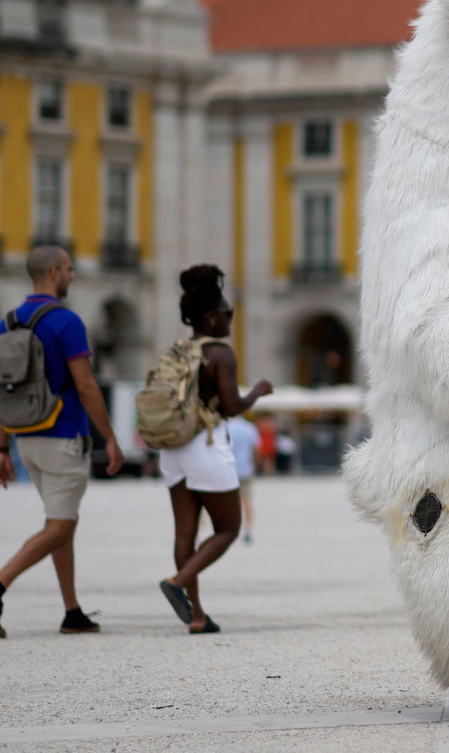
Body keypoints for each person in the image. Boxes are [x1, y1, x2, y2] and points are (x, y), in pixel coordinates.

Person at [0, 245, 124, 638]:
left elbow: (4, 389)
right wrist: (110, 437)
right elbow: (87, 386)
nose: (73, 276)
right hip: (62, 436)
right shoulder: (66, 322)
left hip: (25, 439)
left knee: (62, 522)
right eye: (70, 270)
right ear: (54, 273)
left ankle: (71, 611)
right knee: (59, 526)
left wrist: (3, 448)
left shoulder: (7, 323)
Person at [157, 265, 272, 634]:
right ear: (210, 316)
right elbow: (232, 407)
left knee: (184, 533)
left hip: (172, 448)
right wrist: (257, 391)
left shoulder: (179, 350)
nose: (230, 320)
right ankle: (177, 582)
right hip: (204, 445)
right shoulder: (220, 353)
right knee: (228, 527)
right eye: (227, 314)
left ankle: (196, 616)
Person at [227, 413, 260, 543]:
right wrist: (256, 464)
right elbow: (256, 448)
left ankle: (227, 530)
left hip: (228, 469)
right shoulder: (250, 428)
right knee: (246, 501)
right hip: (246, 469)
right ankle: (248, 530)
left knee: (226, 502)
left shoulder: (226, 427)